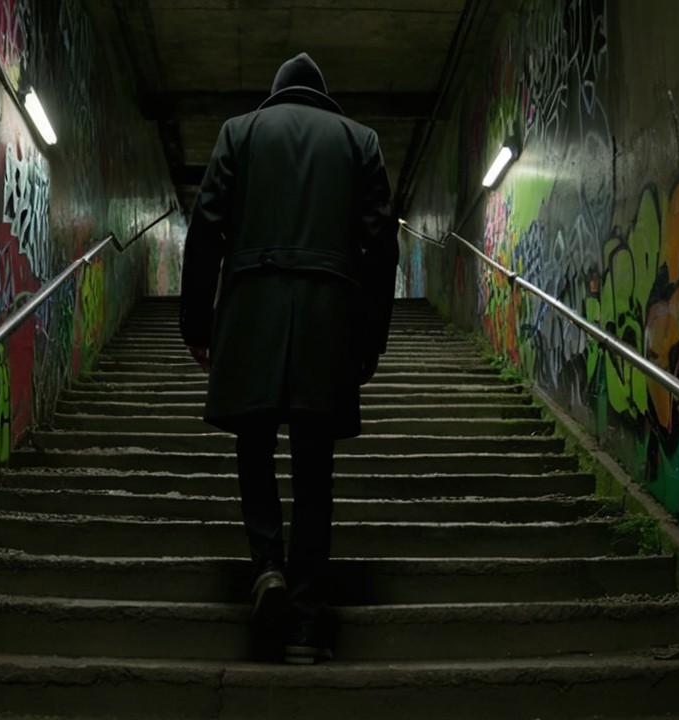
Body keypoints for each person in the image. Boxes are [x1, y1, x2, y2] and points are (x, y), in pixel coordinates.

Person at [178, 52, 398, 664]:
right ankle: (304, 623)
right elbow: (382, 244)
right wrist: (371, 336)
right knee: (314, 471)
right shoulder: (361, 140)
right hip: (327, 321)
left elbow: (206, 227)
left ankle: (267, 567)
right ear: (321, 96)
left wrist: (198, 323)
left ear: (276, 93)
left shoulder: (238, 132)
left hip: (251, 313)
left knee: (253, 446)